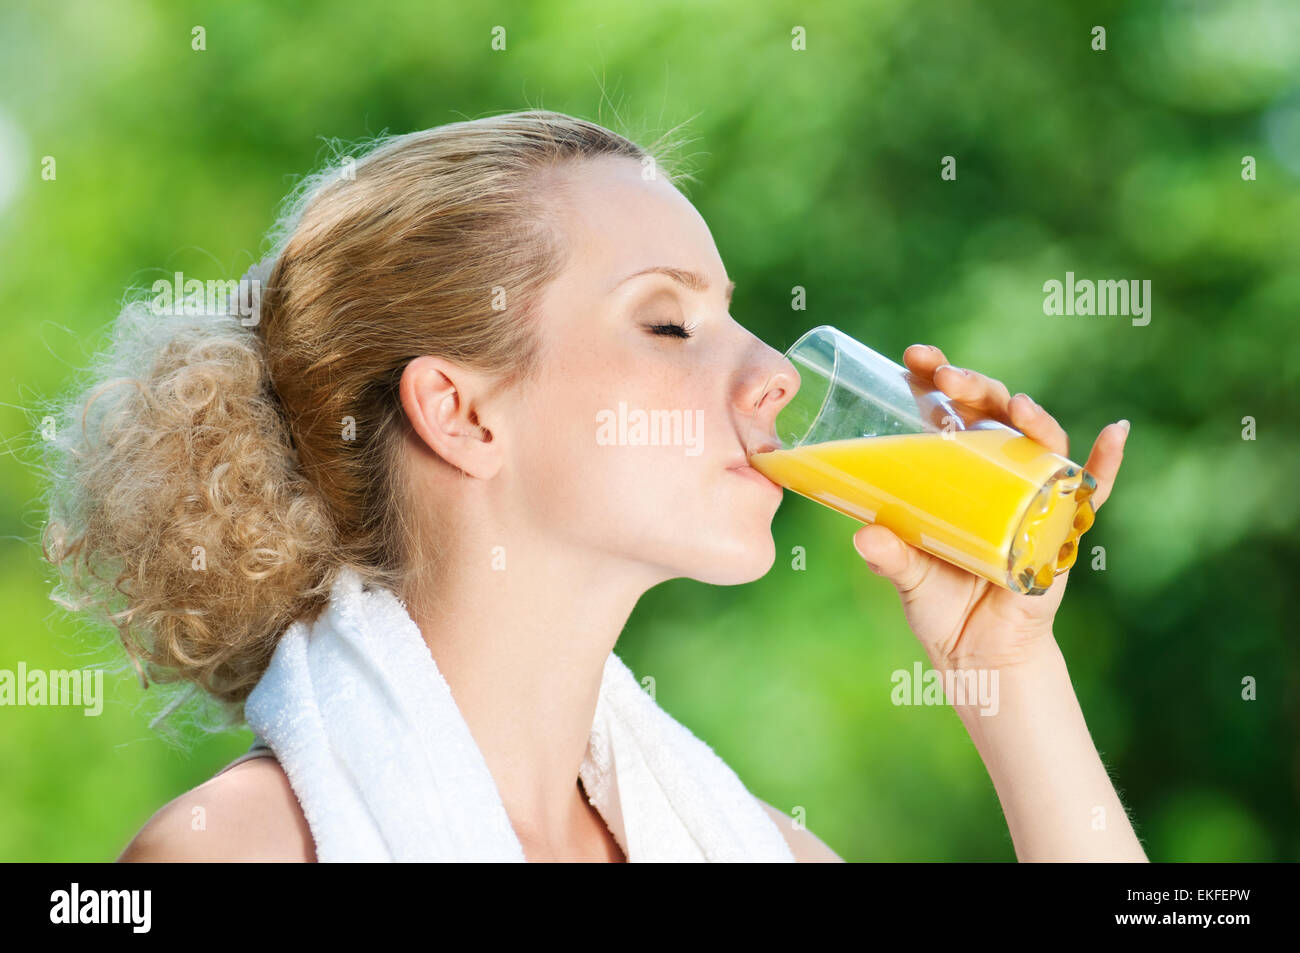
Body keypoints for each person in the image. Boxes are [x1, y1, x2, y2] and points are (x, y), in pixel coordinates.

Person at [42, 111, 1142, 862]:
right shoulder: (237, 852)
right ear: (462, 411)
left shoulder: (746, 843)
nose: (770, 375)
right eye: (670, 322)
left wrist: (1011, 669)